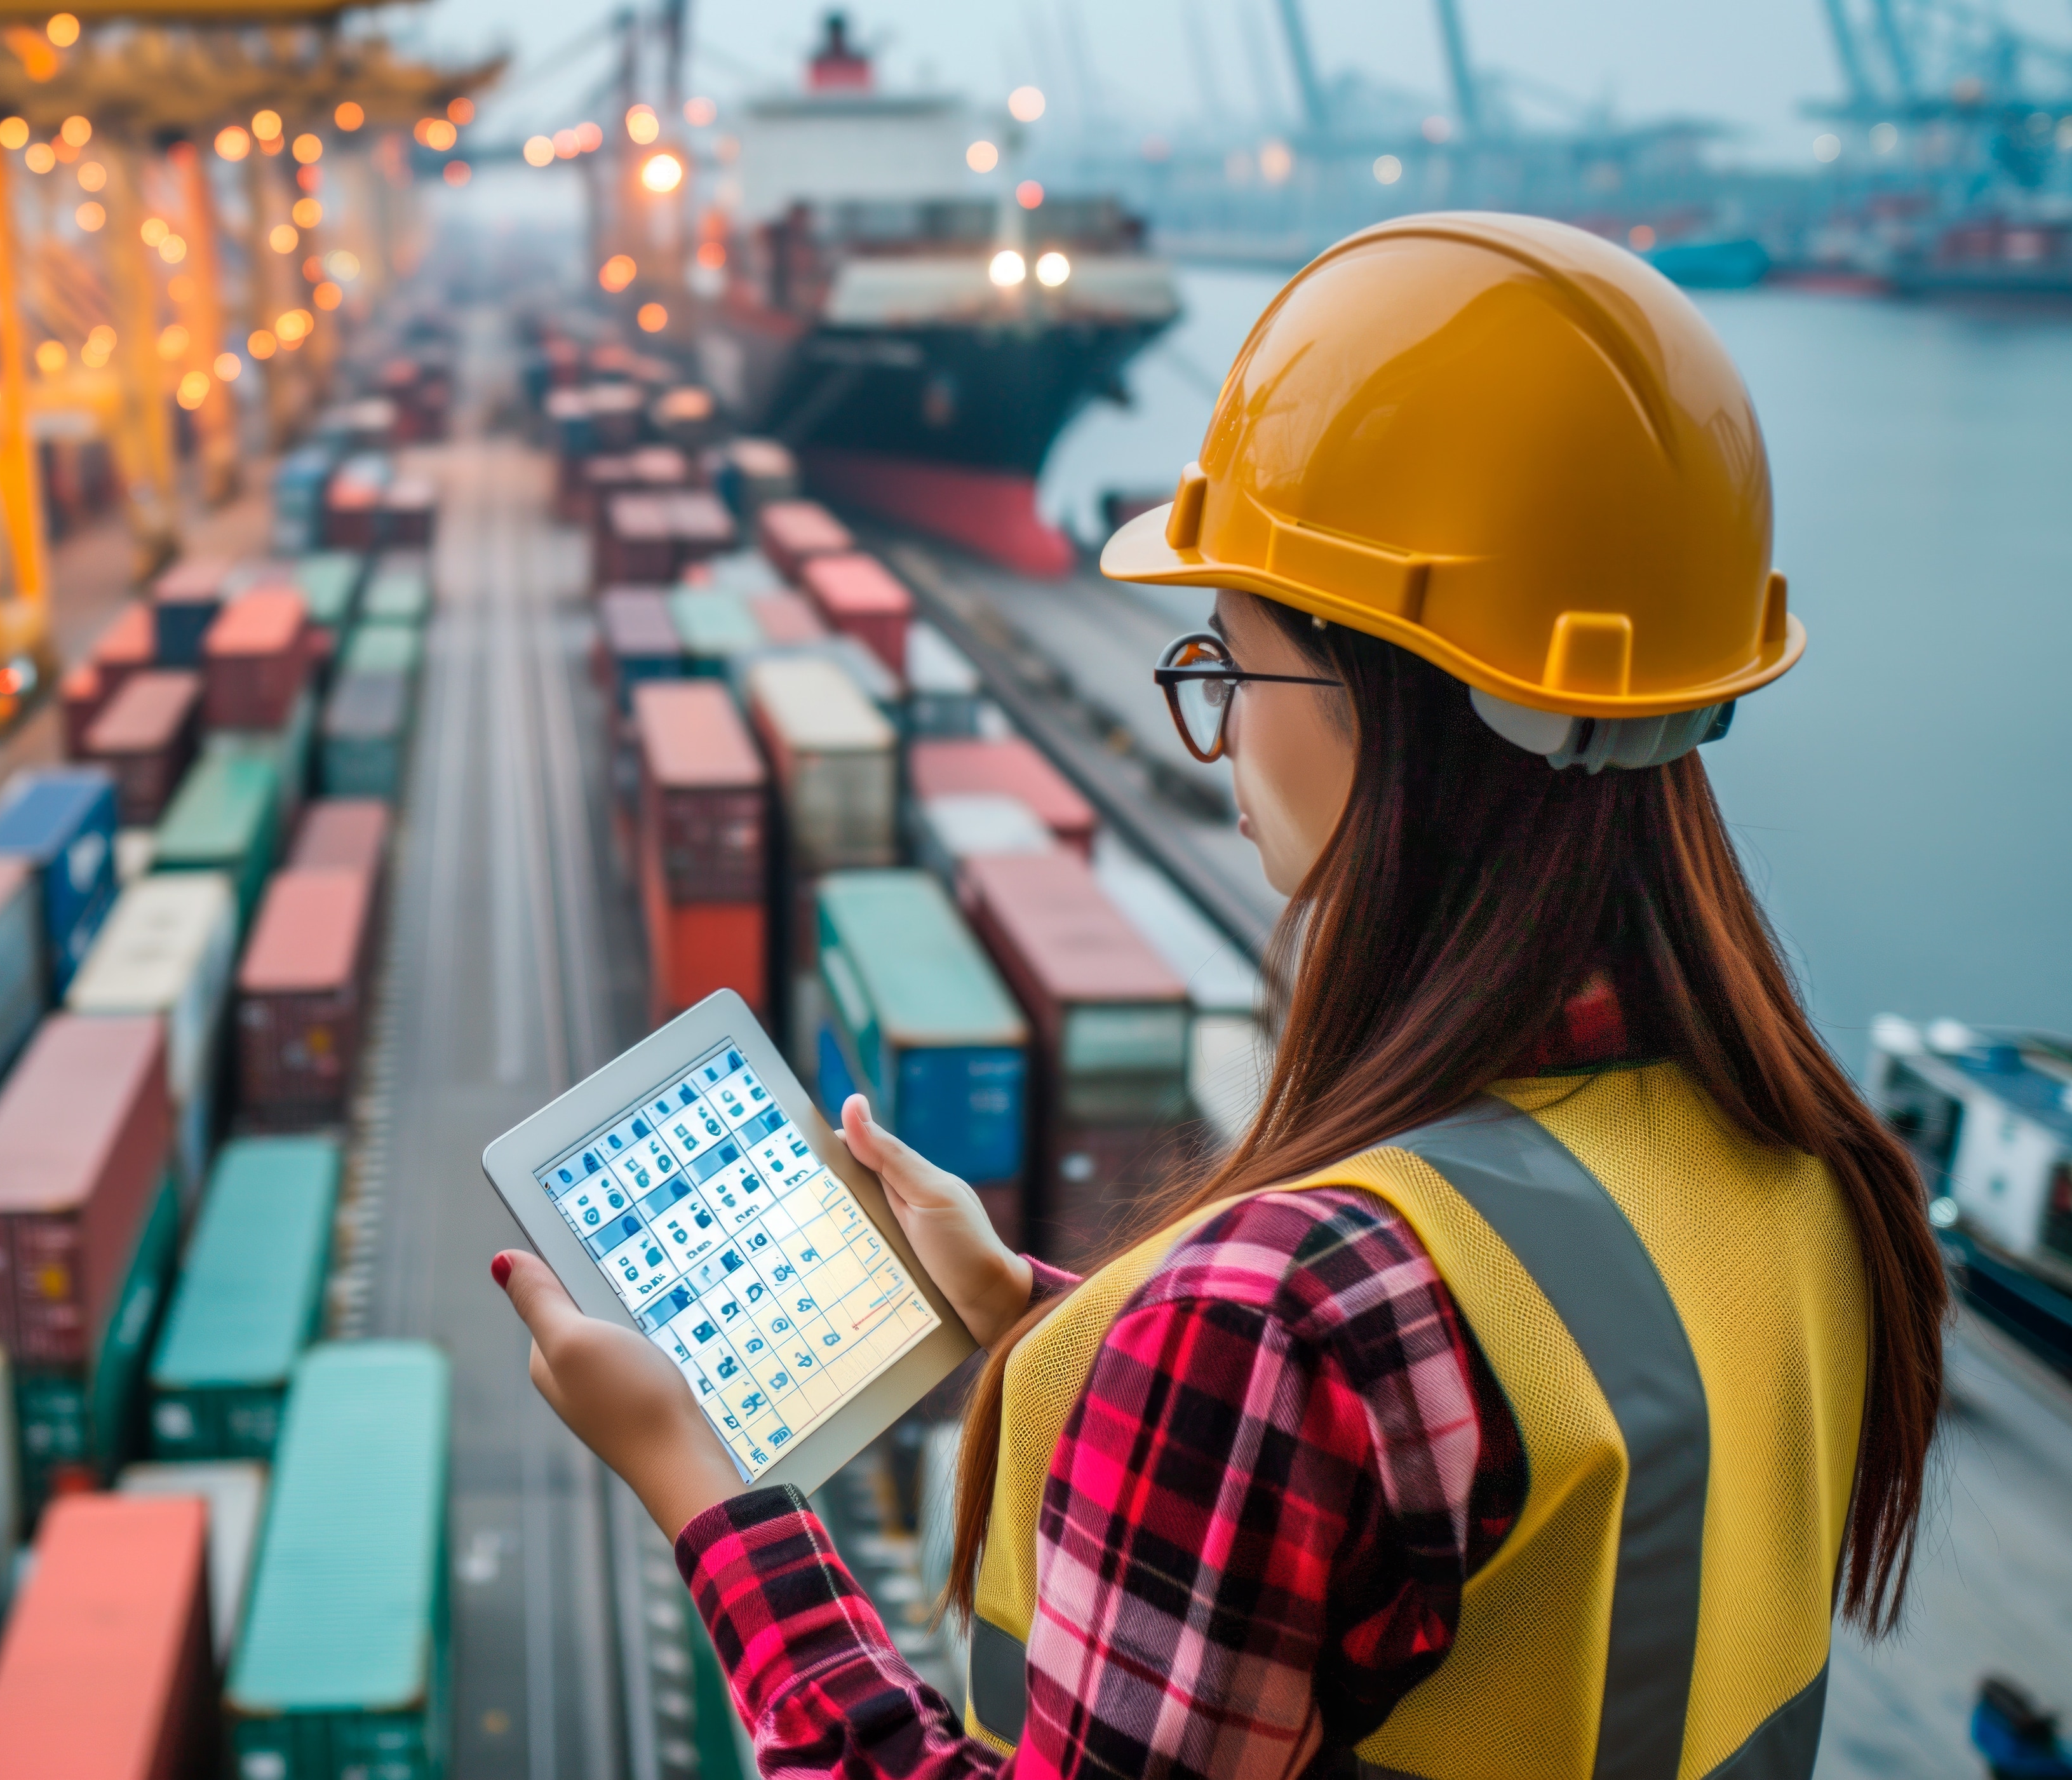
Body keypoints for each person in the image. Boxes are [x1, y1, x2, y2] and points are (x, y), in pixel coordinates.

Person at [494, 212, 1949, 1778]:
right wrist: (1049, 1322)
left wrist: (705, 1490)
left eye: (1228, 662)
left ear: (1390, 696)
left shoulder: (1272, 1317)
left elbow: (1314, 1384)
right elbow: (1463, 1507)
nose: (1221, 725)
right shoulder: (1811, 1182)